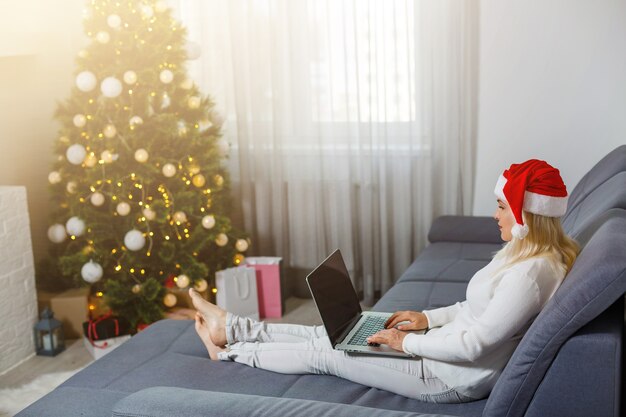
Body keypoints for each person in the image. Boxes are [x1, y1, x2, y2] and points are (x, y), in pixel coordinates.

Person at [190, 159, 579, 403]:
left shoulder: (531, 275)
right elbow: (472, 311)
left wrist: (405, 342)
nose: (495, 215)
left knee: (327, 355)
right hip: (436, 351)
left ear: (526, 215)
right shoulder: (525, 251)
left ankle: (227, 352)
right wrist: (425, 318)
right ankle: (232, 328)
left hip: (446, 376)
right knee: (331, 333)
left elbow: (475, 344)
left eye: (501, 206)